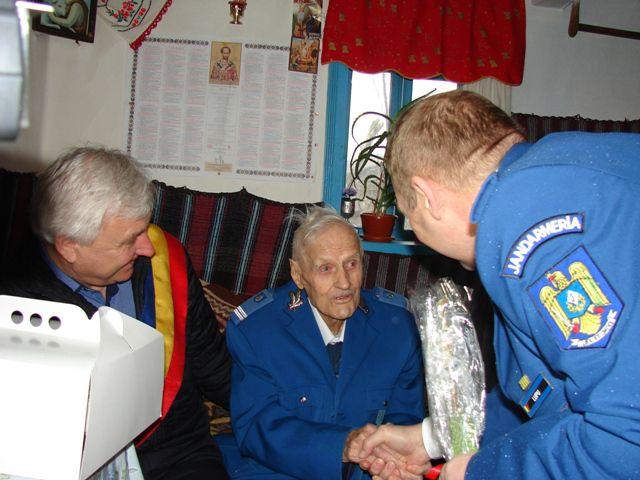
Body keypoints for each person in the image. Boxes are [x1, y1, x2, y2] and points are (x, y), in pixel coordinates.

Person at [345, 90, 640, 480]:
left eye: (407, 215)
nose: (413, 230)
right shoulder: (557, 173)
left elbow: (624, 438)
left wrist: (483, 472)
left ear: (426, 196)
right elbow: (544, 395)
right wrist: (432, 440)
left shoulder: (532, 236)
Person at [0, 146, 231, 480]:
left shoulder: (163, 261)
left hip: (179, 454)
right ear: (69, 246)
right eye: (129, 240)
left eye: (144, 228)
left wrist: (282, 416)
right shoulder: (15, 304)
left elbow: (213, 365)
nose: (147, 247)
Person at [215, 206, 425, 479]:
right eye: (326, 268)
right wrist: (341, 446)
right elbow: (257, 427)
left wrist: (389, 458)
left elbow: (406, 418)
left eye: (352, 264)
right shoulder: (257, 331)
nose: (344, 283)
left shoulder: (397, 329)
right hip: (276, 471)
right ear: (298, 274)